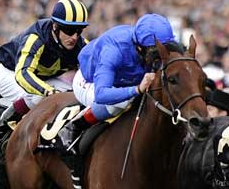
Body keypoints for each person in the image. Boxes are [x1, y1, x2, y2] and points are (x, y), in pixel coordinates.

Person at [42, 13, 177, 155]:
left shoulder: (147, 43)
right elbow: (102, 94)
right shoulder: (114, 51)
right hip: (89, 81)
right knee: (120, 103)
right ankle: (73, 126)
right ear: (140, 48)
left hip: (122, 81)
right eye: (157, 51)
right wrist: (137, 89)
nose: (162, 54)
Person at [0, 0, 90, 160]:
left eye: (79, 31)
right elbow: (22, 75)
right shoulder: (36, 38)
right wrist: (48, 91)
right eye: (68, 30)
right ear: (55, 26)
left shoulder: (81, 45)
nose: (74, 37)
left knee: (73, 95)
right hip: (10, 73)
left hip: (41, 76)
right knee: (39, 97)